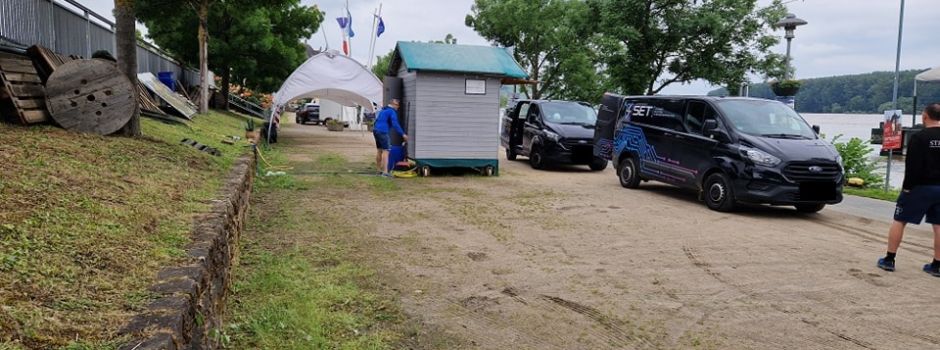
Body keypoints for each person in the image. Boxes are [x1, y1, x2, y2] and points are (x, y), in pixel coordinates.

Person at [878, 103, 940, 276]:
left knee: (900, 220)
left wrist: (907, 188)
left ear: (925, 116)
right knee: (939, 225)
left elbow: (913, 166)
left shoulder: (919, 138)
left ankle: (889, 260)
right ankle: (937, 265)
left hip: (920, 186)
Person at [373, 99, 407, 176]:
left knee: (379, 150)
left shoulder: (383, 110)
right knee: (386, 150)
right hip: (383, 131)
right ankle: (385, 172)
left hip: (376, 130)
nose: (398, 107)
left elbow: (377, 120)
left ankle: (378, 170)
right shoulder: (392, 111)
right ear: (394, 105)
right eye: (397, 105)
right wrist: (403, 134)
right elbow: (395, 124)